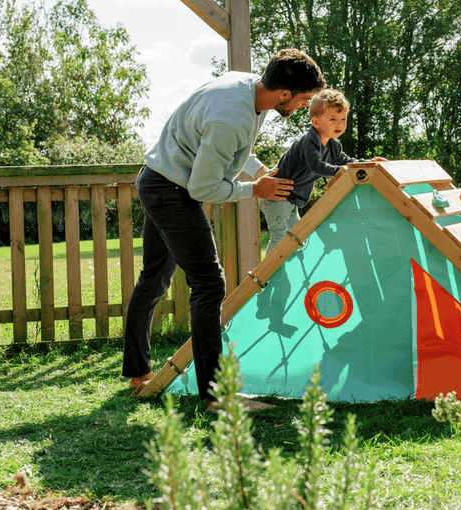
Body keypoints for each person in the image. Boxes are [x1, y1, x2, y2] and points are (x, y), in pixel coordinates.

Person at [123, 48, 326, 401]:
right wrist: (255, 189)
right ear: (283, 94)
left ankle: (138, 372)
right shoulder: (231, 117)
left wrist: (259, 171)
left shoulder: (245, 88)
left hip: (157, 179)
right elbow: (204, 187)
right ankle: (217, 395)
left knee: (154, 278)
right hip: (172, 190)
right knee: (209, 284)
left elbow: (232, 149)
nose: (299, 108)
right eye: (302, 100)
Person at [259, 88, 383, 254]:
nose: (339, 123)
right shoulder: (308, 142)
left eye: (343, 118)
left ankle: (283, 274)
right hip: (276, 193)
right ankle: (267, 279)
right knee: (280, 236)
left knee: (297, 238)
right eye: (333, 119)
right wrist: (343, 171)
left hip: (290, 197)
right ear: (316, 122)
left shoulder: (333, 145)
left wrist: (368, 163)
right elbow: (316, 166)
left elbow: (346, 161)